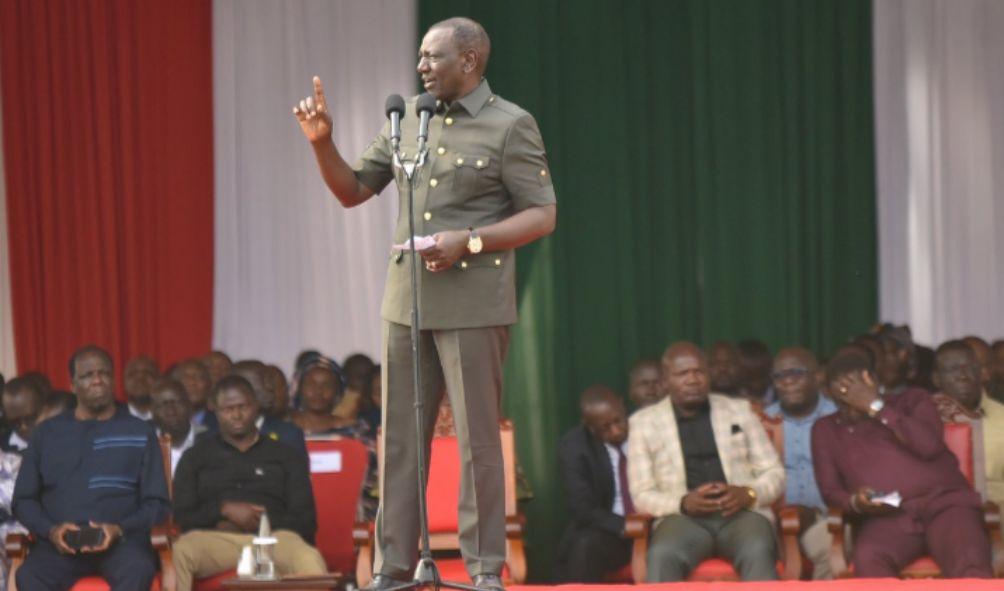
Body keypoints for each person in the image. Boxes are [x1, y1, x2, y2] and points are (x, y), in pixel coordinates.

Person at [294, 16, 556, 591]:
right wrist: (322, 145)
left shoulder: (510, 124)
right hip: (407, 301)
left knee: (477, 441)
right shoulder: (406, 116)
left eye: (432, 57)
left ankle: (485, 568)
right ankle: (392, 567)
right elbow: (352, 190)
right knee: (401, 441)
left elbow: (542, 213)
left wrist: (474, 239)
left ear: (470, 61)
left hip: (475, 303)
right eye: (419, 56)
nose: (420, 67)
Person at [811, 349, 993, 578]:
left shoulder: (912, 400)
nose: (852, 399)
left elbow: (928, 446)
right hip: (890, 515)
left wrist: (875, 407)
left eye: (858, 389)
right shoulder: (826, 429)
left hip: (945, 504)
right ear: (828, 393)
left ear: (874, 381)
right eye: (844, 392)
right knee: (869, 557)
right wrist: (857, 501)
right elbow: (830, 490)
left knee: (969, 557)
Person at [13, 345, 170, 590]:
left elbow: (157, 503)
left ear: (113, 379)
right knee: (29, 575)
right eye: (87, 375)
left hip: (122, 544)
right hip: (60, 546)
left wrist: (118, 529)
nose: (97, 380)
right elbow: (23, 500)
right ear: (72, 384)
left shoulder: (140, 431)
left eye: (104, 373)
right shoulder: (46, 434)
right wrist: (52, 531)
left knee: (138, 569)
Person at [628, 342, 784, 582]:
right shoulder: (644, 423)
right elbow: (641, 494)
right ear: (665, 380)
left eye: (699, 372)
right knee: (662, 554)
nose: (693, 380)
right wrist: (682, 503)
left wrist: (749, 494)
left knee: (757, 549)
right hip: (682, 519)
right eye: (683, 374)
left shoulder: (739, 411)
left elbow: (774, 473)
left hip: (740, 514)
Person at [172, 375, 326, 590]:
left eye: (242, 406)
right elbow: (183, 516)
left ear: (256, 407)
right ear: (215, 411)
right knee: (181, 550)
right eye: (228, 409)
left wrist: (260, 518)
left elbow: (307, 522)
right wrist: (223, 510)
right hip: (216, 541)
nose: (236, 415)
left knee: (309, 556)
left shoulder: (285, 455)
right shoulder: (195, 457)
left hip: (274, 539)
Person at [762, 348, 836, 579]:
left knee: (830, 549)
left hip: (826, 518)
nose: (788, 382)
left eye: (797, 373)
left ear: (818, 376)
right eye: (780, 376)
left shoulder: (840, 418)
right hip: (775, 522)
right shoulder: (762, 422)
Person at [554, 386, 632, 582]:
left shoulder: (646, 429)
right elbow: (582, 508)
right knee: (585, 546)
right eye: (605, 428)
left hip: (655, 527)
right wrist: (625, 526)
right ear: (589, 426)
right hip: (613, 530)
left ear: (623, 407)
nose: (615, 431)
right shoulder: (574, 447)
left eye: (618, 421)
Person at [930, 340, 1004, 507]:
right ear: (936, 378)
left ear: (982, 373)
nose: (963, 376)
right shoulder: (920, 421)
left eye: (970, 368)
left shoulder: (1002, 418)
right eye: (952, 369)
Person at [231, 361, 307, 456]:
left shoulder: (289, 435)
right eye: (264, 381)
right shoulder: (213, 435)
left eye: (270, 382)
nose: (271, 388)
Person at [150, 378, 204, 477]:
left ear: (189, 406)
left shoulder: (209, 439)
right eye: (163, 404)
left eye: (177, 402)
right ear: (153, 412)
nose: (171, 411)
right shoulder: (145, 445)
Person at [1, 376, 46, 453]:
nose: (23, 427)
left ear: (43, 408)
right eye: (15, 422)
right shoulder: (2, 448)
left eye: (30, 419)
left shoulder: (60, 440)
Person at [171, 358, 213, 426]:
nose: (192, 382)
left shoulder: (221, 423)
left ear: (209, 385)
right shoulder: (161, 425)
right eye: (185, 378)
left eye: (199, 377)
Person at [123, 355, 159, 421]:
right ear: (124, 381)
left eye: (148, 373)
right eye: (132, 373)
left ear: (159, 381)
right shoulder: (111, 422)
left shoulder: (169, 420)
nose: (140, 378)